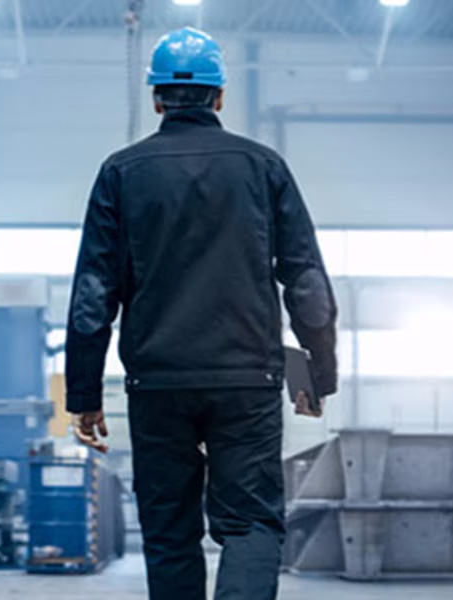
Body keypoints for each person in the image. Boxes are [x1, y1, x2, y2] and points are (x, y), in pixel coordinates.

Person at [65, 27, 338, 600]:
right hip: (247, 381)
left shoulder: (122, 173)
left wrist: (84, 395)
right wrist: (320, 374)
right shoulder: (264, 168)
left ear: (157, 98)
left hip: (157, 383)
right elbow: (307, 284)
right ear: (219, 96)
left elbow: (94, 293)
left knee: (168, 534)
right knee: (251, 524)